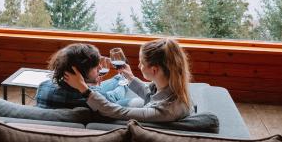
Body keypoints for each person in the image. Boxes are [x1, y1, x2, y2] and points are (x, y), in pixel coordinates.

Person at [64, 38, 192, 122]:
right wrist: (130, 78)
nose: (138, 66)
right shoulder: (173, 88)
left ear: (154, 70)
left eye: (141, 63)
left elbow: (117, 112)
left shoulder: (164, 111)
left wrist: (83, 88)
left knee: (117, 96)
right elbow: (150, 95)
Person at [35, 43, 144, 109]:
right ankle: (123, 81)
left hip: (81, 89)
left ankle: (120, 78)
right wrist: (93, 89)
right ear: (80, 71)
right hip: (105, 100)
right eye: (96, 67)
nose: (100, 68)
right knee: (117, 91)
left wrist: (92, 85)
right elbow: (110, 100)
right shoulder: (95, 99)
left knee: (116, 80)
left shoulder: (42, 87)